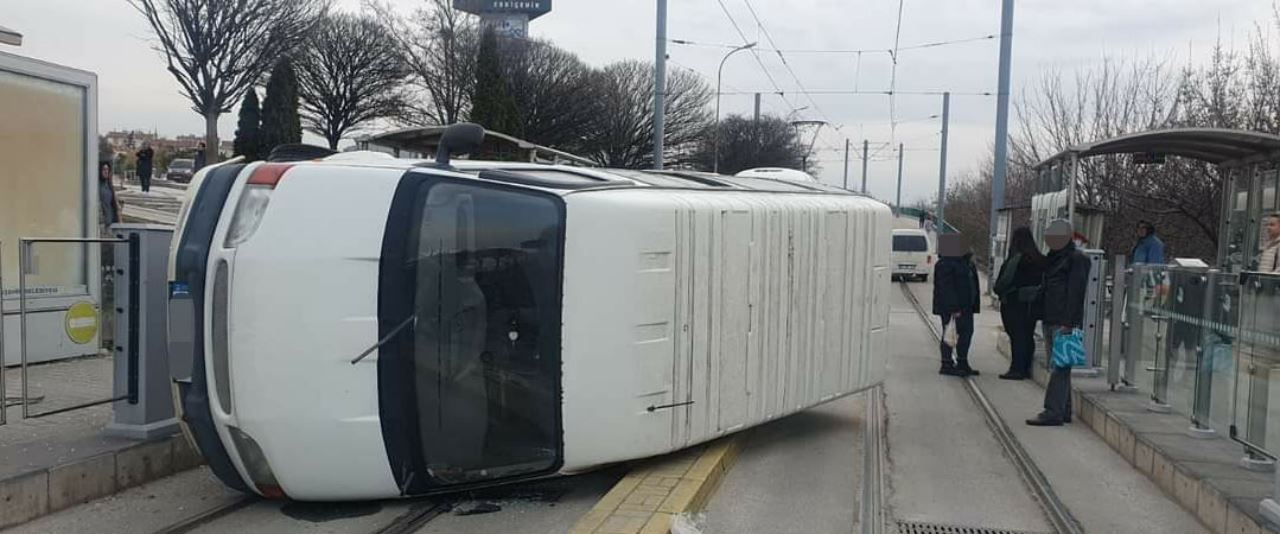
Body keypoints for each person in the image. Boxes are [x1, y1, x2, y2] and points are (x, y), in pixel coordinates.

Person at [1027, 219, 1091, 426]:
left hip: (1063, 321)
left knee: (1059, 367)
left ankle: (1052, 411)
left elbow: (1076, 292)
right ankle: (1064, 410)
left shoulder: (1076, 259)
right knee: (1060, 365)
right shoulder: (1054, 258)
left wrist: (1069, 322)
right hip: (1049, 317)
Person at [992, 227, 1046, 380]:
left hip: (1014, 303)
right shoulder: (1039, 259)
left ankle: (1016, 369)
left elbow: (1005, 281)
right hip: (1032, 304)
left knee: (1017, 336)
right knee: (1027, 335)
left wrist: (998, 290)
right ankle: (1025, 367)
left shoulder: (1017, 259)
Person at [933, 233, 981, 377]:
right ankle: (946, 363)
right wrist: (953, 307)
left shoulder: (965, 263)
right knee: (950, 333)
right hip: (953, 308)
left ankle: (962, 362)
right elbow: (946, 288)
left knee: (966, 333)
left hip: (966, 306)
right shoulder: (945, 264)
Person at [98, 160, 121, 230]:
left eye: (107, 169)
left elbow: (114, 205)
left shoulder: (109, 186)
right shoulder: (98, 186)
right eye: (104, 169)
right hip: (102, 223)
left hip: (111, 223)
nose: (106, 171)